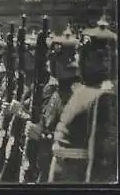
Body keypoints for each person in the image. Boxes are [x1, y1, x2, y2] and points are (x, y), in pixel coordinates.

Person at [48, 16, 117, 183]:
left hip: (75, 177)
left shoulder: (103, 95)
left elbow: (100, 161)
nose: (78, 61)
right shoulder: (82, 91)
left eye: (84, 57)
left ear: (103, 62)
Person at [24, 24, 80, 183]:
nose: (50, 64)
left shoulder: (75, 94)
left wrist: (42, 134)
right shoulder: (59, 90)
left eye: (55, 59)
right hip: (47, 168)